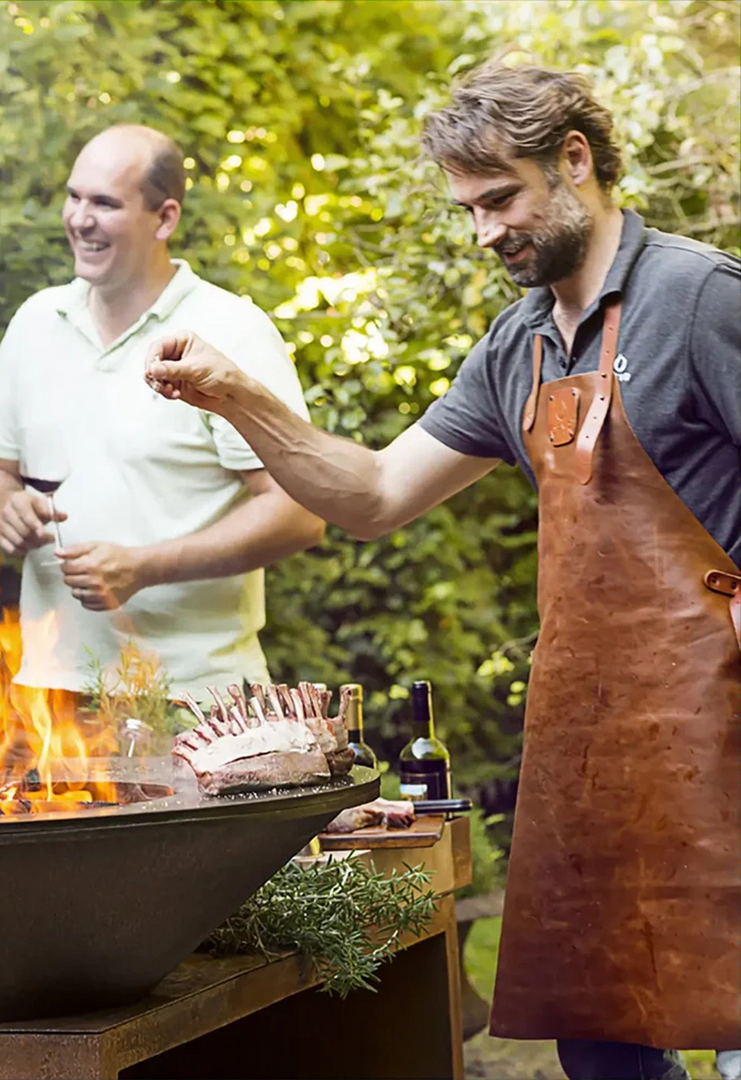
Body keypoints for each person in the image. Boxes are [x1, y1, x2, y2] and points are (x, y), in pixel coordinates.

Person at [145, 65, 740, 1080]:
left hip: (727, 737)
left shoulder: (700, 298)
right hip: (594, 747)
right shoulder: (519, 346)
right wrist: (240, 400)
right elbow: (375, 495)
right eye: (467, 210)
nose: (483, 232)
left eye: (500, 199)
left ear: (576, 160)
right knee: (603, 1040)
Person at [0, 124, 323, 698]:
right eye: (74, 196)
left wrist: (146, 566)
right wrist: (5, 507)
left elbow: (300, 514)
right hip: (49, 695)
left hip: (195, 700)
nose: (80, 219)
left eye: (105, 203)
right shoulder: (35, 321)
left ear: (165, 219)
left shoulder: (231, 331)